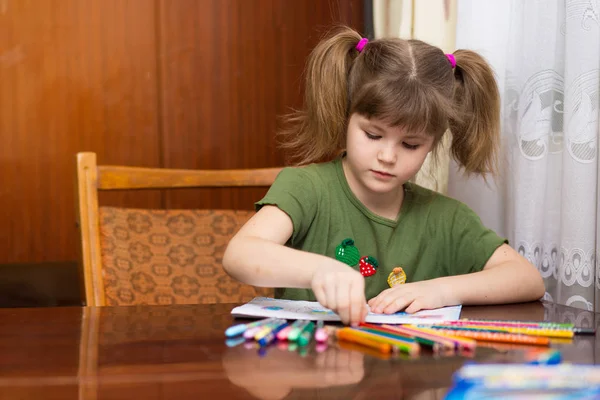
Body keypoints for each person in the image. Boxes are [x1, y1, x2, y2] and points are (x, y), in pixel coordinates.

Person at [223, 26, 545, 326]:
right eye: (373, 135)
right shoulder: (306, 187)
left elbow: (527, 279)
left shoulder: (446, 218)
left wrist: (441, 291)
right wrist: (320, 270)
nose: (387, 157)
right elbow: (240, 255)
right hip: (313, 374)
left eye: (410, 144)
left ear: (432, 145)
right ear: (346, 116)